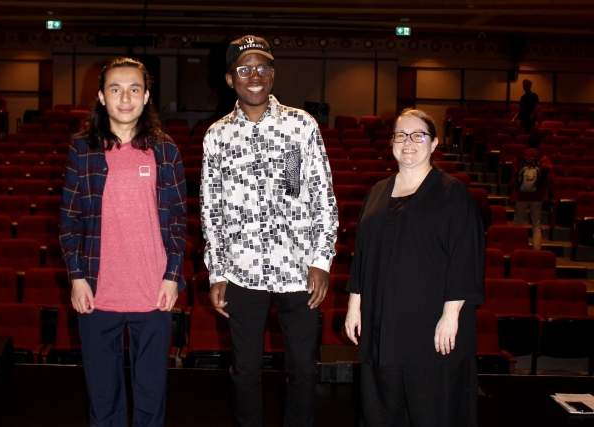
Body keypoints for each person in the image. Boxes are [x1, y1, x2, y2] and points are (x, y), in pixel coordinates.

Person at [200, 35, 338, 427]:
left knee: (304, 370)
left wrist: (321, 261)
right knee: (244, 372)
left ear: (273, 73)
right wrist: (218, 272)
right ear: (230, 79)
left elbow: (322, 199)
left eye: (262, 67)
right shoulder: (217, 136)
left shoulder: (301, 126)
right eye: (244, 69)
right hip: (242, 273)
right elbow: (211, 211)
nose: (254, 76)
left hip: (298, 272)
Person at [59, 57, 186, 427]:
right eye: (115, 89)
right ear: (101, 96)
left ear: (146, 97)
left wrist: (172, 276)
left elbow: (178, 220)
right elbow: (69, 220)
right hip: (97, 293)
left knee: (150, 401)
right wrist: (77, 277)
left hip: (152, 292)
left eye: (134, 89)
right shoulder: (81, 149)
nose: (125, 97)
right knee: (104, 402)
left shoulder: (165, 151)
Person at [344, 109, 484, 427]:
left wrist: (451, 316)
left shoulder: (453, 194)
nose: (408, 142)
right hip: (383, 326)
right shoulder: (377, 193)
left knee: (431, 411)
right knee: (382, 409)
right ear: (392, 142)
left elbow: (465, 257)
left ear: (434, 144)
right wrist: (355, 306)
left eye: (418, 135)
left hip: (432, 328)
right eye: (400, 135)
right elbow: (363, 254)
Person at [510, 134, 554, 250]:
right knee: (536, 225)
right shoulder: (543, 159)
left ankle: (515, 248)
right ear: (539, 144)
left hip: (521, 194)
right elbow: (550, 179)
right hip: (537, 195)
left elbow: (514, 179)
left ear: (527, 144)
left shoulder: (519, 158)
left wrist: (513, 196)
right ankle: (536, 251)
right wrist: (544, 191)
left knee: (517, 223)